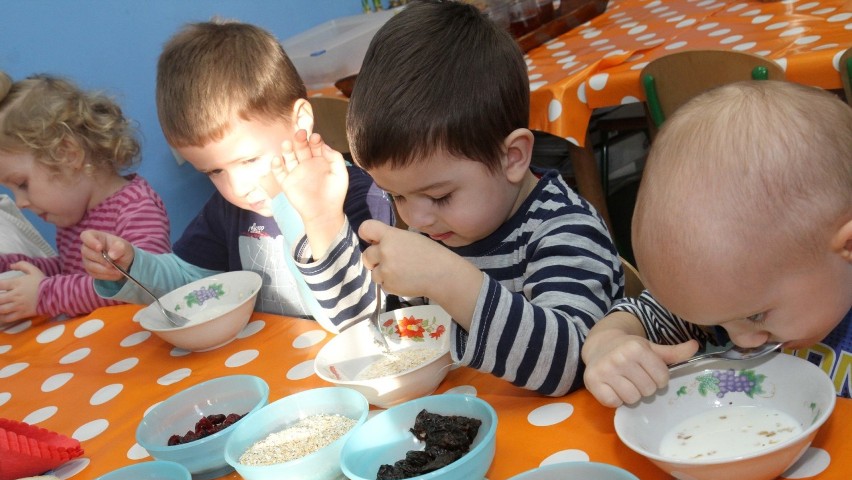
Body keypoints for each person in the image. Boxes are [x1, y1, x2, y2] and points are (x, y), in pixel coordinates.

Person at [272, 0, 623, 396]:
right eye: (395, 196)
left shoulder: (565, 230)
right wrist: (322, 222)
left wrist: (446, 277)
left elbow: (569, 364)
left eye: (439, 196)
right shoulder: (436, 229)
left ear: (512, 157)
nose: (416, 219)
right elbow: (368, 331)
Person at [80, 20, 393, 328]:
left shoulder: (358, 196)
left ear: (299, 122)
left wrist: (306, 215)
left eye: (249, 160)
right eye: (214, 171)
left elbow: (359, 321)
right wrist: (133, 267)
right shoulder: (229, 210)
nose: (238, 187)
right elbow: (193, 285)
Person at [582, 80, 852, 407]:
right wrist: (606, 345)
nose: (740, 340)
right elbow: (639, 315)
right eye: (717, 323)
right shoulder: (724, 299)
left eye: (755, 316)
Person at [0, 72, 171, 323]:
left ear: (68, 154)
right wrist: (13, 267)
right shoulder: (74, 219)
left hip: (143, 347)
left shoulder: (135, 208)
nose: (20, 202)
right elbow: (72, 274)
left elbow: (143, 285)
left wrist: (44, 295)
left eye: (22, 184)